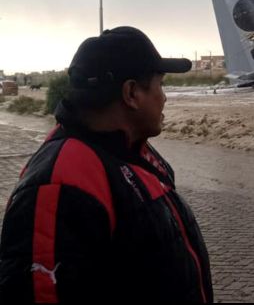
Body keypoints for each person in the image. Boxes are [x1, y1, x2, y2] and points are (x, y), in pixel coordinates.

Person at [0, 27, 213, 303]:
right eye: (160, 85)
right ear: (131, 93)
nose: (164, 97)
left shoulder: (134, 152)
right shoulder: (61, 181)